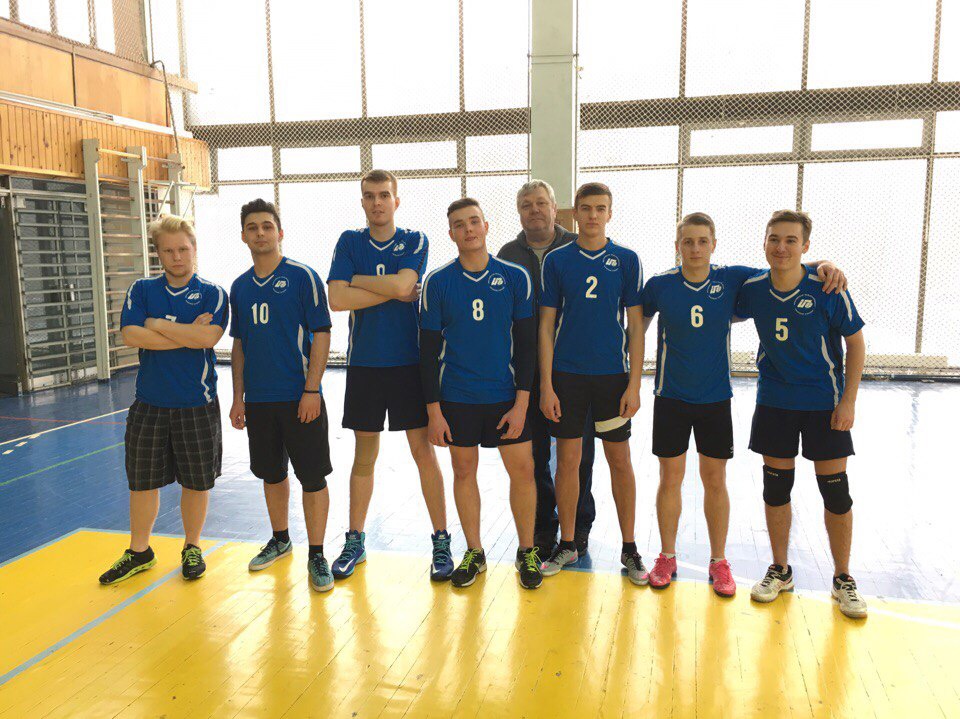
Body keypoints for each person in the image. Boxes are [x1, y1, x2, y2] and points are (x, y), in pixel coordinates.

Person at [640, 212, 847, 596]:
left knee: (715, 480)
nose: (695, 248)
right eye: (688, 242)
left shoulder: (732, 279)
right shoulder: (660, 284)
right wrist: (630, 369)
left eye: (703, 241)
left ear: (714, 244)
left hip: (716, 399)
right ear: (677, 245)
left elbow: (786, 267)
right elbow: (640, 318)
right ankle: (666, 555)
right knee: (670, 478)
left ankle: (719, 561)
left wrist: (825, 263)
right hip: (670, 397)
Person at [735, 209, 867, 619]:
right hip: (775, 402)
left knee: (836, 491)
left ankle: (843, 578)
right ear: (764, 242)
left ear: (805, 246)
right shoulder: (753, 288)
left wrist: (848, 401)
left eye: (791, 240)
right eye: (774, 238)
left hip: (824, 404)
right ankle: (780, 569)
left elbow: (857, 344)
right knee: (776, 489)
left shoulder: (828, 288)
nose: (781, 247)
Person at [326, 169, 452, 582]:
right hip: (365, 364)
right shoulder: (349, 241)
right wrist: (391, 287)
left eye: (384, 195)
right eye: (369, 196)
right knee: (364, 456)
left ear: (396, 200)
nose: (377, 202)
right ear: (362, 201)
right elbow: (337, 298)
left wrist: (359, 282)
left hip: (408, 364)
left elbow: (403, 288)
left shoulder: (415, 240)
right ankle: (355, 541)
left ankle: (441, 540)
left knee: (423, 453)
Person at [420, 197, 542, 590]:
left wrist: (522, 404)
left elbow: (527, 346)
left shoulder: (515, 277)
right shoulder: (438, 282)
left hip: (506, 395)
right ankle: (474, 551)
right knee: (463, 471)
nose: (468, 229)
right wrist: (434, 412)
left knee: (522, 471)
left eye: (474, 221)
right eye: (460, 224)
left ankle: (527, 551)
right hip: (457, 396)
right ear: (451, 233)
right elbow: (427, 352)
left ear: (486, 226)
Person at [99, 215, 227, 585]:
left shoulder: (213, 293)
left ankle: (192, 546)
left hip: (196, 403)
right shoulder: (142, 290)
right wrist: (187, 334)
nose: (177, 257)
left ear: (194, 248)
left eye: (183, 249)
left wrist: (156, 325)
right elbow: (130, 336)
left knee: (196, 482)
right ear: (158, 253)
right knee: (141, 481)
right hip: (149, 403)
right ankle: (140, 551)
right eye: (168, 251)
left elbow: (208, 339)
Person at [537, 182, 646, 583]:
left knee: (620, 461)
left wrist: (634, 384)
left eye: (601, 208)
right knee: (568, 462)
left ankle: (630, 548)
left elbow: (636, 326)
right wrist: (547, 385)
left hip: (612, 379)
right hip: (567, 378)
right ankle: (568, 543)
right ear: (575, 214)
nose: (593, 215)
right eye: (586, 208)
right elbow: (546, 326)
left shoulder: (627, 260)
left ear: (609, 213)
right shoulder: (557, 261)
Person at [228, 198, 336, 593]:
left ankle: (317, 554)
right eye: (252, 227)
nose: (260, 233)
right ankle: (280, 539)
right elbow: (239, 345)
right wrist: (238, 397)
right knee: (271, 473)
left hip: (299, 396)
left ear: (280, 232)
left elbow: (322, 334)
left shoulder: (303, 276)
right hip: (259, 400)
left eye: (267, 226)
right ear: (244, 236)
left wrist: (312, 389)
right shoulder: (239, 287)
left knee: (312, 476)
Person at [496, 179, 596, 557]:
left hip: (573, 369)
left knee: (577, 455)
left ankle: (578, 522)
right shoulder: (506, 255)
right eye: (527, 204)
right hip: (526, 370)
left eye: (541, 203)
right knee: (534, 455)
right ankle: (543, 526)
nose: (534, 209)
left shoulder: (578, 247)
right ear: (519, 212)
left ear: (556, 209)